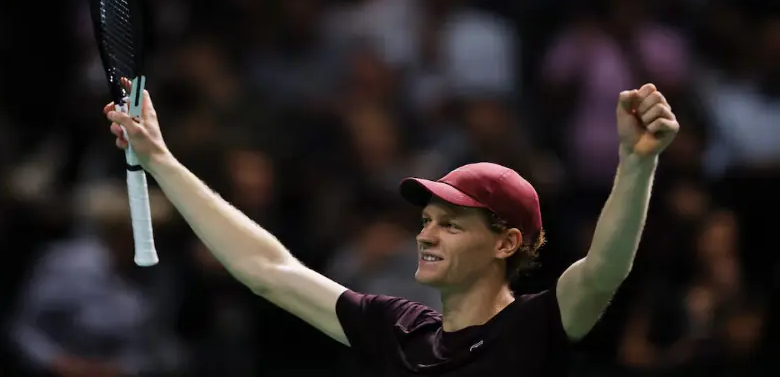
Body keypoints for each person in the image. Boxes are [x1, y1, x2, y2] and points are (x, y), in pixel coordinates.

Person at [105, 81, 679, 376]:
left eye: (451, 225)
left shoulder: (536, 328)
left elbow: (605, 269)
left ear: (506, 243)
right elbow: (268, 270)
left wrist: (636, 162)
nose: (425, 235)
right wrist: (162, 162)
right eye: (426, 221)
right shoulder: (398, 330)